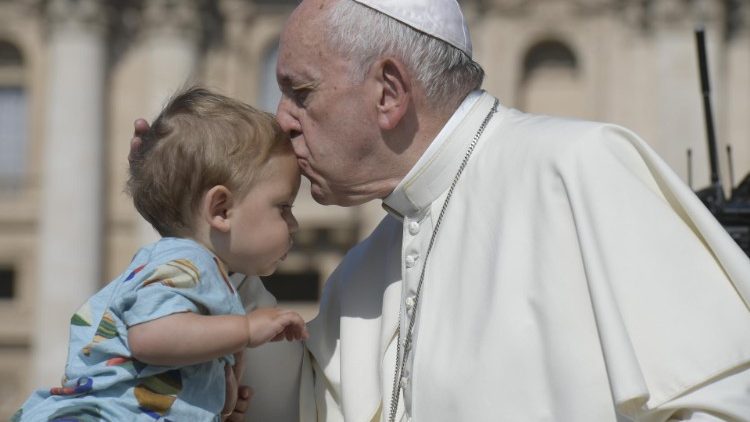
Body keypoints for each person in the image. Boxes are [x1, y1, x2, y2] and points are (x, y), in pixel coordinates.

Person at [138, 1, 750, 421]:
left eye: (301, 91)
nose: (281, 120)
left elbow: (722, 400)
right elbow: (270, 407)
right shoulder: (358, 276)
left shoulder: (578, 170)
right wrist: (192, 219)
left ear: (389, 93)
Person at [15, 87, 309, 422]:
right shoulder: (185, 264)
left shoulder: (206, 275)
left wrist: (220, 401)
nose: (294, 224)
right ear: (222, 209)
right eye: (283, 207)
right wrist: (245, 329)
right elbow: (150, 336)